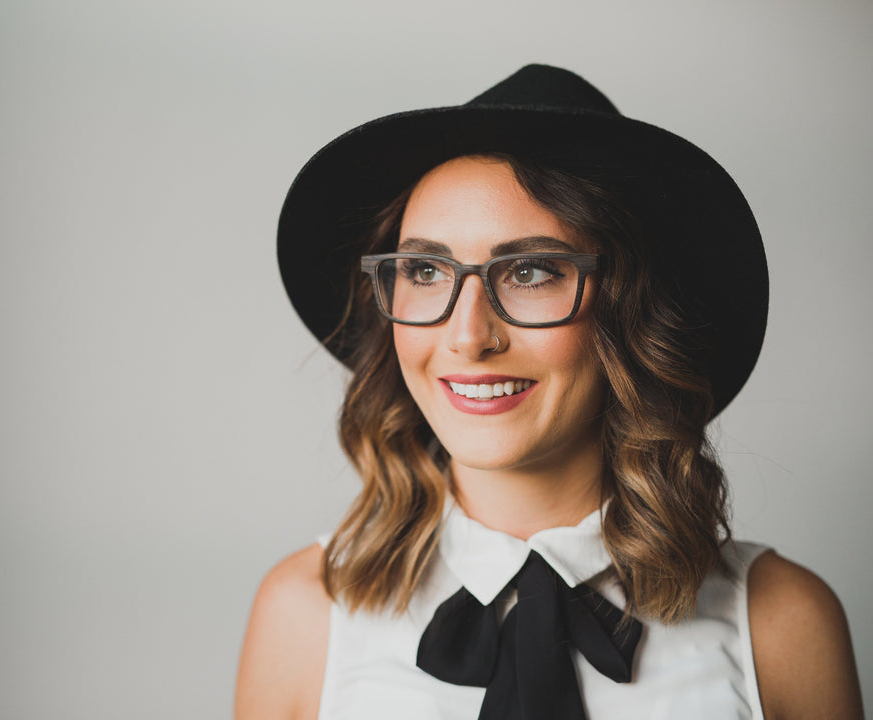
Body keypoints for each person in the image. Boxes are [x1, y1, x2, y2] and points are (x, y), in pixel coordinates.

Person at [235, 65, 863, 720]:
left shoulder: (782, 628)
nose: (468, 335)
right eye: (424, 269)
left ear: (629, 311)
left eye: (530, 271)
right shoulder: (305, 617)